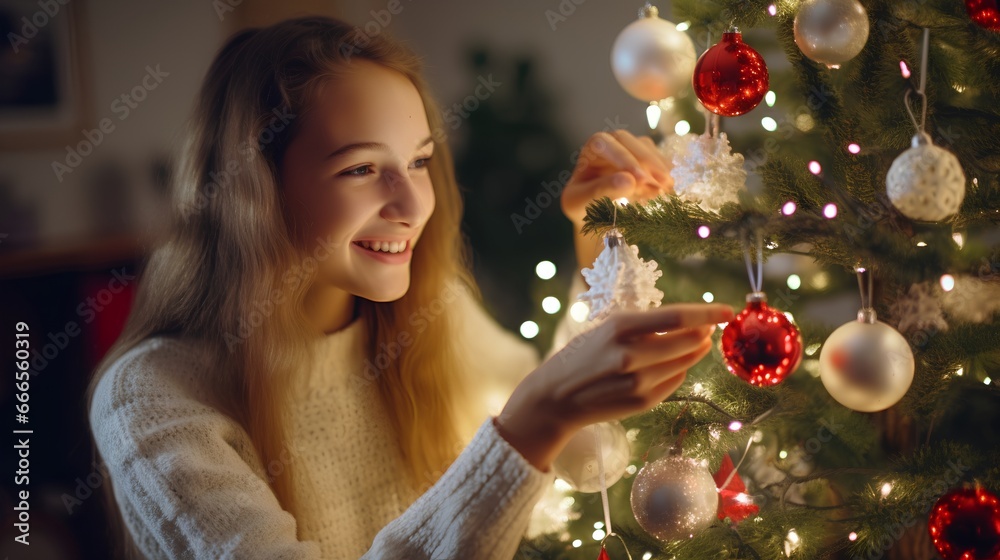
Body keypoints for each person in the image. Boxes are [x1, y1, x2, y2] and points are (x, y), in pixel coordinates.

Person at [86, 16, 733, 560]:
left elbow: (569, 437)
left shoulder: (430, 314)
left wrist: (598, 239)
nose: (410, 203)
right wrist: (535, 421)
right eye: (362, 168)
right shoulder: (153, 398)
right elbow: (530, 420)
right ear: (255, 190)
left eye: (419, 161)